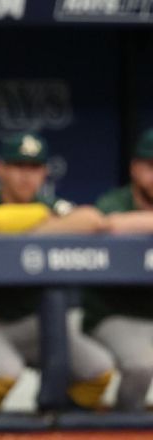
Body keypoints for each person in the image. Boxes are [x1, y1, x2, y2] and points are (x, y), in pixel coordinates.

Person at [0, 133, 114, 413]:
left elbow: (92, 220)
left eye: (33, 168)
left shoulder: (51, 204)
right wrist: (47, 224)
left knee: (99, 370)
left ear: (45, 172)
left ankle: (55, 428)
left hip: (28, 324)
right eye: (17, 167)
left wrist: (31, 234)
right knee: (5, 373)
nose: (26, 176)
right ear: (0, 169)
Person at [82, 128, 153, 411]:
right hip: (114, 315)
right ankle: (128, 422)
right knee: (142, 366)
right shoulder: (115, 201)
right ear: (136, 169)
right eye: (151, 166)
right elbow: (104, 223)